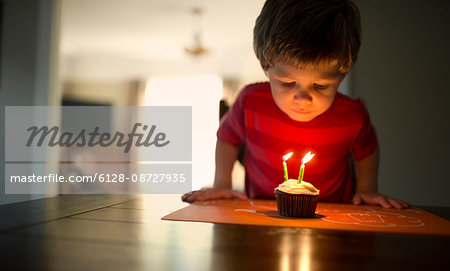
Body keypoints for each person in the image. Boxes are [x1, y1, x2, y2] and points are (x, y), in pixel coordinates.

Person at [182, 0, 410, 209]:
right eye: (288, 82)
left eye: (321, 85)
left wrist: (367, 189)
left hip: (332, 215)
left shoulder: (353, 116)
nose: (302, 98)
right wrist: (222, 183)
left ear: (342, 74)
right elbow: (227, 137)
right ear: (266, 66)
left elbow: (367, 150)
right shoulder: (251, 102)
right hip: (262, 211)